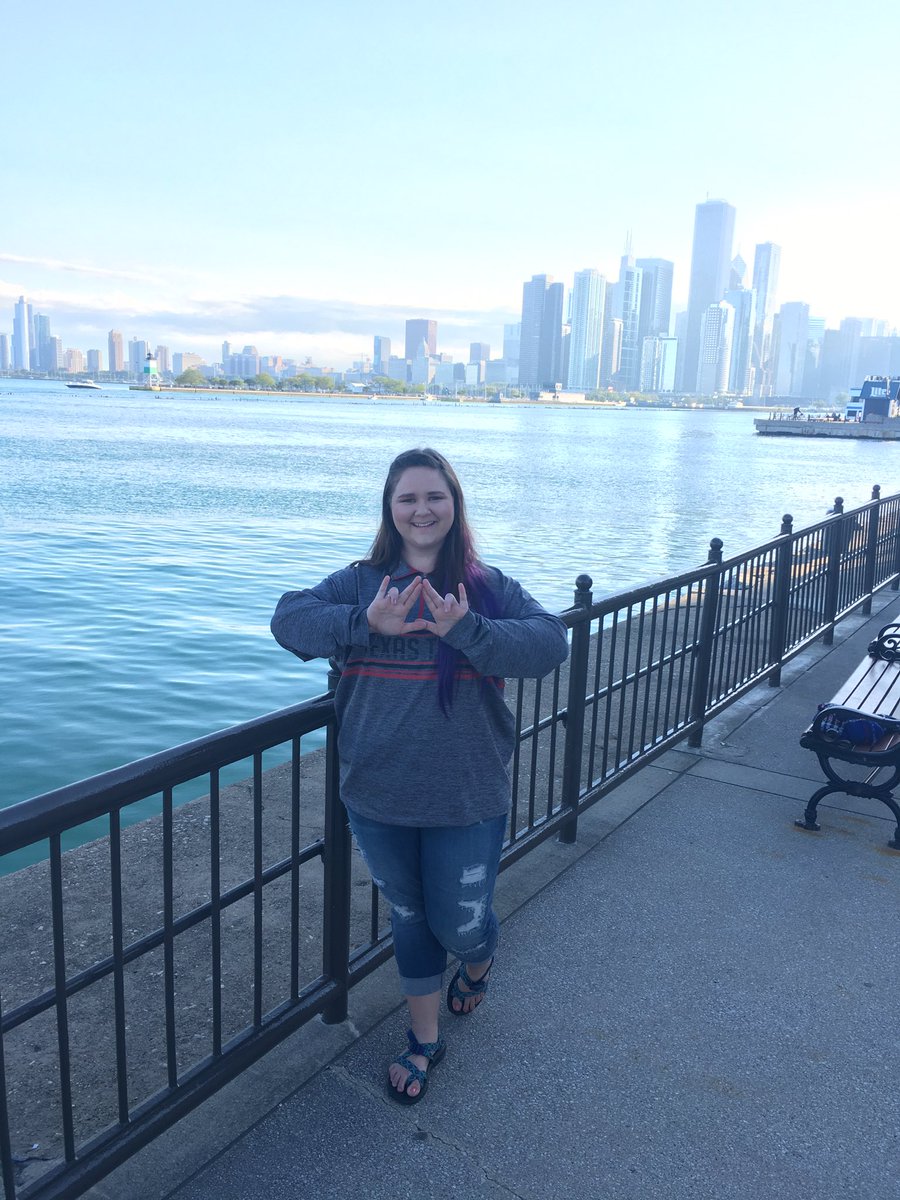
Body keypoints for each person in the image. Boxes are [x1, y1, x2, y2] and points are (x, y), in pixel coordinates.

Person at [271, 447, 568, 1104]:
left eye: (435, 496)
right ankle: (424, 1038)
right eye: (407, 498)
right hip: (378, 793)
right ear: (390, 508)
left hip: (467, 793)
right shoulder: (360, 583)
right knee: (409, 915)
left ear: (454, 504)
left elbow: (550, 644)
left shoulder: (486, 587)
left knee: (462, 923)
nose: (422, 509)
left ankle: (480, 960)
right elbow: (288, 620)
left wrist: (469, 631)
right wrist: (362, 624)